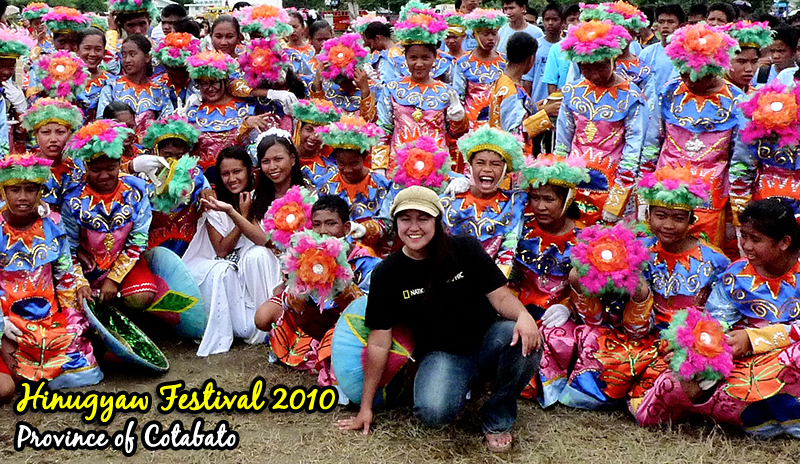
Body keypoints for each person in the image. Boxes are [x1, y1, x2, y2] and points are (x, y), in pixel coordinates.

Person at [337, 185, 542, 453]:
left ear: (437, 220)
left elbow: (500, 297)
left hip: (488, 338)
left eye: (422, 218)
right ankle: (469, 384)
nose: (414, 227)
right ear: (395, 222)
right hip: (442, 354)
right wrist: (366, 407)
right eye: (405, 219)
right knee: (433, 413)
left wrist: (524, 316)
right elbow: (378, 342)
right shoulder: (387, 274)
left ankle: (498, 417)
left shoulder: (464, 248)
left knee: (524, 338)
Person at [635, 198, 800, 438]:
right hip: (748, 360)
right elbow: (715, 322)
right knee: (686, 379)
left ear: (784, 242)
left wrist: (754, 339)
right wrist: (696, 349)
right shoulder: (734, 276)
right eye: (744, 236)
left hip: (784, 352)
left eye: (756, 239)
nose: (747, 246)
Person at [624, 165, 730, 414]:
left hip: (690, 343)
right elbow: (634, 321)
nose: (668, 225)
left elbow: (720, 318)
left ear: (692, 220)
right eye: (661, 215)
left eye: (678, 218)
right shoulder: (640, 252)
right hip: (646, 337)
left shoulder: (714, 260)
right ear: (647, 215)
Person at [0, 152, 103, 391]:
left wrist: (71, 317)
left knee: (80, 367)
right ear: (3, 192)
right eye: (15, 190)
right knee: (19, 381)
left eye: (30, 189)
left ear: (40, 192)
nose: (23, 197)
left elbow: (65, 276)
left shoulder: (53, 224)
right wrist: (2, 323)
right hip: (8, 320)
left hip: (49, 317)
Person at [642, 23, 745, 250]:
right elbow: (651, 143)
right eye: (683, 73)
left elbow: (740, 161)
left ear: (714, 70)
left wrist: (736, 212)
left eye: (697, 76)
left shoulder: (736, 101)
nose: (688, 81)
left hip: (710, 196)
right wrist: (643, 191)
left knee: (702, 254)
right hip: (665, 189)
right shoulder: (668, 92)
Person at [255, 195, 379, 384]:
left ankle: (329, 350)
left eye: (331, 224)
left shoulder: (364, 258)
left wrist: (339, 282)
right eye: (317, 224)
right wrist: (298, 280)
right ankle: (318, 348)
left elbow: (368, 309)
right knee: (263, 317)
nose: (323, 231)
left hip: (347, 324)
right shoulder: (304, 254)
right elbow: (293, 303)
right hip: (313, 321)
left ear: (346, 228)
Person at [183, 145, 282, 357]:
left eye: (237, 171)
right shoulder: (215, 204)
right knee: (223, 271)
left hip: (254, 271)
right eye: (225, 174)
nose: (232, 179)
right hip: (225, 267)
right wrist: (240, 218)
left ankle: (270, 319)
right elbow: (221, 250)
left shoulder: (260, 198)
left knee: (260, 256)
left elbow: (264, 240)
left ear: (250, 171)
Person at [512, 154, 589, 407]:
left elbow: (590, 290)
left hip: (562, 313)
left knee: (557, 337)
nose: (540, 206)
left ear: (567, 200)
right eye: (535, 198)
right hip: (518, 305)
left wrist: (567, 306)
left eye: (549, 199)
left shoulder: (586, 239)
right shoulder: (520, 229)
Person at [554, 20, 645, 226]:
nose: (594, 74)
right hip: (573, 183)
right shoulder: (572, 92)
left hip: (613, 185)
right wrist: (558, 183)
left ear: (613, 60)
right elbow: (562, 142)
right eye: (586, 68)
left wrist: (618, 199)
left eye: (601, 67)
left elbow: (633, 149)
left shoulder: (631, 96)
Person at [61, 120, 157, 314]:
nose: (104, 176)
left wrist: (114, 279)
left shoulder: (136, 190)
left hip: (125, 261)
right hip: (87, 266)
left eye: (110, 169)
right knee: (76, 304)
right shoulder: (72, 199)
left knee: (141, 296)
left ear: (120, 164)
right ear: (86, 167)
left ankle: (122, 312)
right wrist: (80, 283)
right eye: (96, 170)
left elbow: (138, 240)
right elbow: (67, 248)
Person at [374, 8, 468, 174]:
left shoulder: (447, 93)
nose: (419, 64)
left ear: (435, 58)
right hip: (399, 168)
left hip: (437, 168)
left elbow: (456, 136)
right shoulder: (391, 88)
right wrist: (379, 167)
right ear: (405, 59)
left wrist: (459, 119)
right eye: (413, 58)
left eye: (425, 57)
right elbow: (383, 130)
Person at [441, 125, 526, 277]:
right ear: (470, 166)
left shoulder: (514, 203)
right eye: (480, 162)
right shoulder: (449, 200)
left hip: (492, 284)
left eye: (495, 164)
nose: (487, 169)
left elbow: (507, 253)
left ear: (506, 171)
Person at [317, 116, 396, 254]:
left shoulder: (383, 185)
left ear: (365, 156)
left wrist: (365, 230)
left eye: (354, 163)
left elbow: (388, 223)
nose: (347, 170)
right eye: (341, 163)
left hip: (374, 253)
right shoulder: (324, 184)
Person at [185, 50, 267, 176]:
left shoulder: (245, 108)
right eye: (204, 83)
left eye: (215, 82)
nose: (210, 88)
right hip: (204, 180)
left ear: (225, 80)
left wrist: (246, 127)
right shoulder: (192, 111)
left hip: (238, 178)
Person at [139, 115, 210, 255]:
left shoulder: (196, 177)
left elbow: (208, 196)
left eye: (180, 156)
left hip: (191, 248)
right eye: (168, 155)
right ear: (156, 152)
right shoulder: (142, 177)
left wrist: (207, 195)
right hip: (151, 250)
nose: (174, 161)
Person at [488, 32, 556, 154]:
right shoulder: (512, 91)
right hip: (512, 159)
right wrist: (545, 115)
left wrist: (535, 108)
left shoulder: (503, 81)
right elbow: (515, 134)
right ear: (530, 58)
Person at [97, 34, 174, 135]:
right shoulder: (112, 87)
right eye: (124, 55)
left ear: (147, 57)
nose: (127, 60)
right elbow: (101, 122)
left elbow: (167, 124)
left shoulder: (160, 91)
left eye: (132, 54)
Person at [20, 98, 84, 208]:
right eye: (46, 132)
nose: (53, 139)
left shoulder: (80, 168)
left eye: (60, 132)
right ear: (36, 136)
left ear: (69, 135)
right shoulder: (23, 169)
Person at [453, 9, 507, 128]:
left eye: (494, 33)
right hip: (471, 125)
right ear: (474, 35)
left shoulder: (505, 61)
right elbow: (458, 96)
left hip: (499, 123)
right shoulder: (463, 63)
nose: (491, 38)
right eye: (486, 34)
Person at [580, 2, 652, 89]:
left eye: (620, 31)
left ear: (633, 33)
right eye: (608, 30)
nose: (614, 36)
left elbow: (649, 99)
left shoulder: (644, 70)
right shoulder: (591, 62)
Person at [291, 99, 341, 188]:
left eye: (320, 132)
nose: (313, 137)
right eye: (308, 130)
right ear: (299, 129)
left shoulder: (330, 163)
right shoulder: (285, 153)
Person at [0, 26, 34, 156]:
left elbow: (24, 132)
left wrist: (21, 110)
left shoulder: (11, 90)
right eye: (1, 66)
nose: (6, 72)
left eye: (10, 67)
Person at [639, 4, 685, 97]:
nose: (665, 26)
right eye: (661, 22)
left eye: (670, 22)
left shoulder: (688, 55)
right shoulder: (647, 53)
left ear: (680, 26)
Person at [540, 3, 581, 95]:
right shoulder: (556, 49)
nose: (576, 23)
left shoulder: (594, 49)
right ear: (565, 24)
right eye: (571, 20)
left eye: (579, 19)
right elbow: (551, 83)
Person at [723, 21, 773, 93]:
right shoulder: (711, 96)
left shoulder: (758, 95)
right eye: (741, 62)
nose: (749, 69)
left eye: (754, 61)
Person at [76, 27, 113, 122]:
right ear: (77, 50)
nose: (92, 54)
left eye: (98, 49)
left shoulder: (111, 81)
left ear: (104, 53)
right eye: (87, 48)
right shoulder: (65, 79)